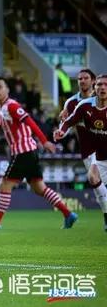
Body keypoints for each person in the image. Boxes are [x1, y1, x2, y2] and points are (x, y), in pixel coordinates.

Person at [0, 77, 77, 230]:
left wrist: (44, 141)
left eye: (0, 87)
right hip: (28, 153)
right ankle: (68, 214)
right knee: (39, 188)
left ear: (7, 90)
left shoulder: (12, 106)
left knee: (5, 185)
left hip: (23, 151)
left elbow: (30, 121)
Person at [55, 74, 107, 231]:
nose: (102, 87)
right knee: (93, 178)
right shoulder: (84, 105)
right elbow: (69, 121)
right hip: (97, 153)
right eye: (99, 85)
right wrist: (61, 131)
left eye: (105, 84)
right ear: (95, 87)